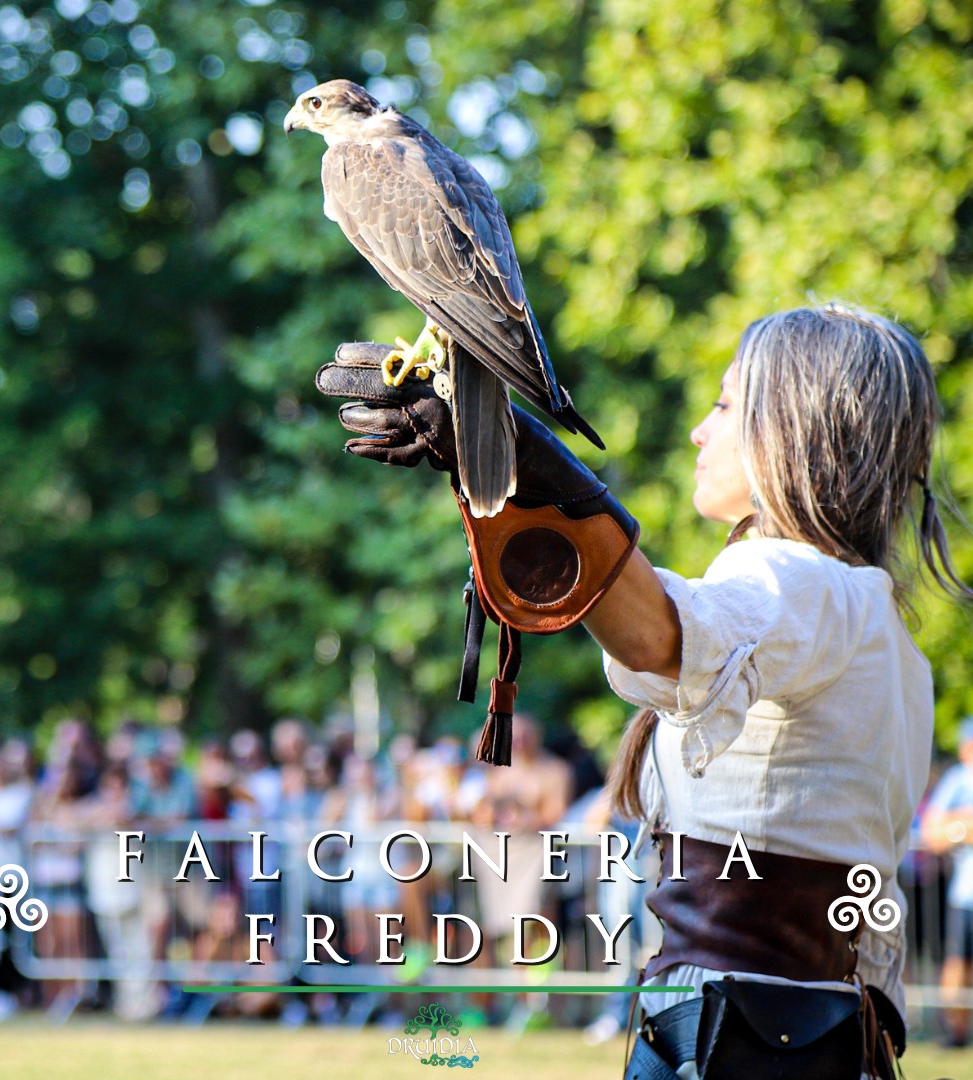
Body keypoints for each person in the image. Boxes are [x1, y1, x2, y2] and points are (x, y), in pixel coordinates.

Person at [316, 303, 973, 1078]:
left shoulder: (802, 580)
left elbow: (660, 637)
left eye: (726, 404)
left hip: (746, 1037)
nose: (701, 429)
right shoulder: (871, 617)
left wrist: (527, 468)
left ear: (793, 427)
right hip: (795, 1033)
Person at [920, 716, 973, 1046]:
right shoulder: (958, 780)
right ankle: (955, 1032)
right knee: (957, 963)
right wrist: (963, 826)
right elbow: (931, 832)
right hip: (966, 893)